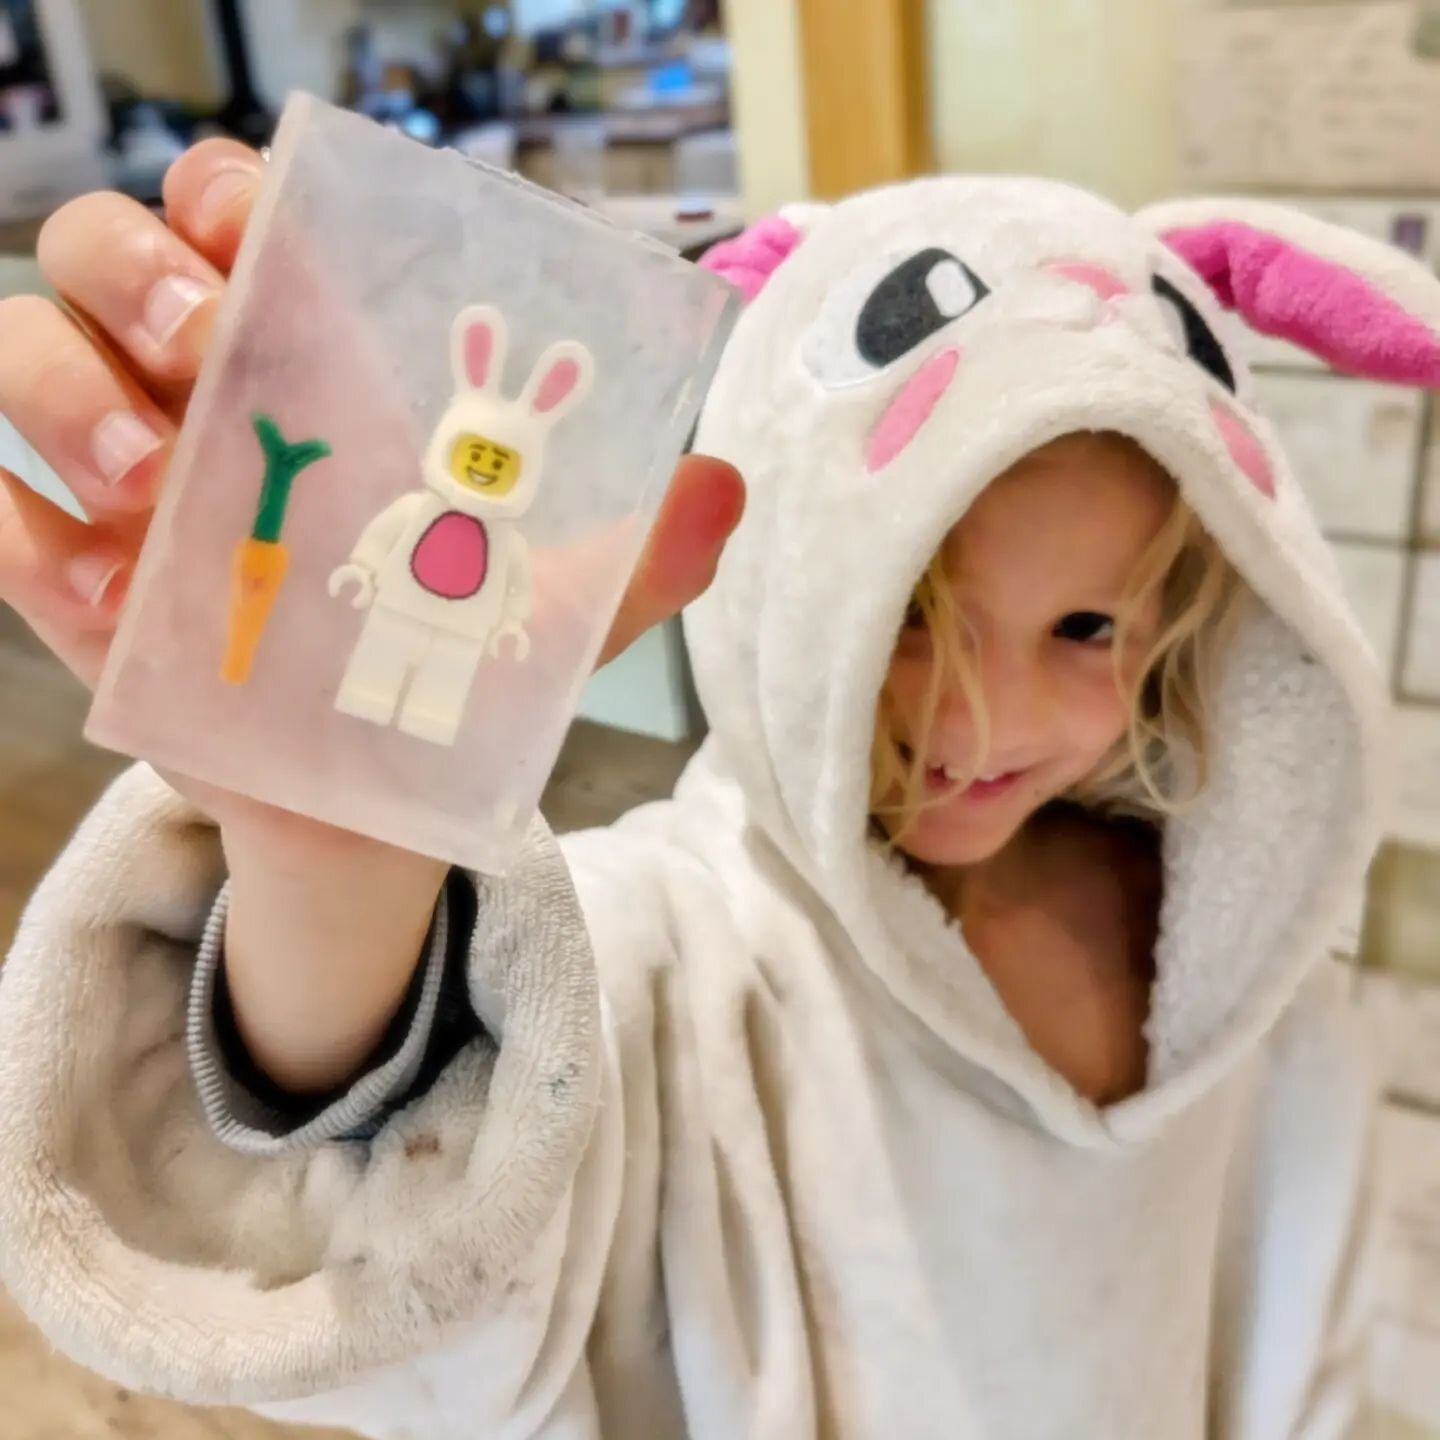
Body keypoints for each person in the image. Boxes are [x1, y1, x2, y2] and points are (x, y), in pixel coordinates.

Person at [0, 140, 1434, 1439]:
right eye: (917, 613)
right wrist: (336, 858)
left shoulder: (1244, 986)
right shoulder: (676, 954)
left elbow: (1304, 1325)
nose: (981, 717)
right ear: (785, 576)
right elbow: (410, 1297)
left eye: (1085, 630)